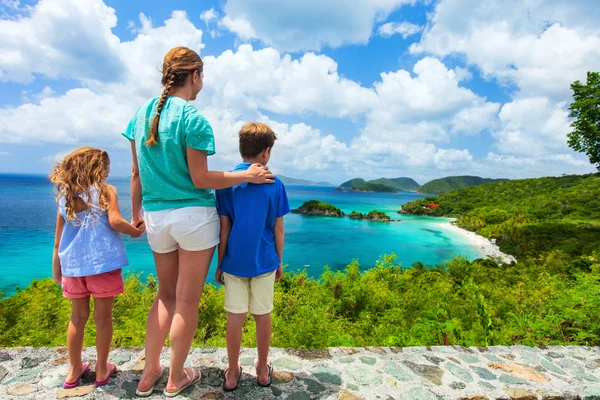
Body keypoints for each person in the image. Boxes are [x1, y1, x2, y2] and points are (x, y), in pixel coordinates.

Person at [122, 47, 274, 397]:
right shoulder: (193, 119)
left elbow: (135, 173)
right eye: (202, 76)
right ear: (195, 76)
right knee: (186, 301)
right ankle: (176, 376)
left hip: (157, 216)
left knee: (164, 296)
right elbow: (201, 178)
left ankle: (148, 375)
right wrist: (246, 176)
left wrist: (136, 215)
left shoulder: (140, 115)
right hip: (193, 218)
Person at [49, 147, 145, 389]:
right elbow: (115, 221)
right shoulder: (105, 191)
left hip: (72, 267)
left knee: (77, 318)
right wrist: (135, 231)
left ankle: (73, 371)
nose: (108, 173)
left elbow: (58, 241)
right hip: (102, 265)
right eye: (107, 169)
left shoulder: (65, 197)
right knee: (103, 318)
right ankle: (102, 369)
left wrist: (57, 270)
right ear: (98, 169)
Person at [215, 122, 290, 391]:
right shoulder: (275, 184)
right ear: (266, 152)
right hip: (265, 261)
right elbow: (278, 229)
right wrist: (279, 261)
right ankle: (261, 368)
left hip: (234, 261)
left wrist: (220, 262)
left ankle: (233, 371)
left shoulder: (227, 183)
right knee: (263, 316)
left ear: (242, 149)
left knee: (234, 318)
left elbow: (224, 228)